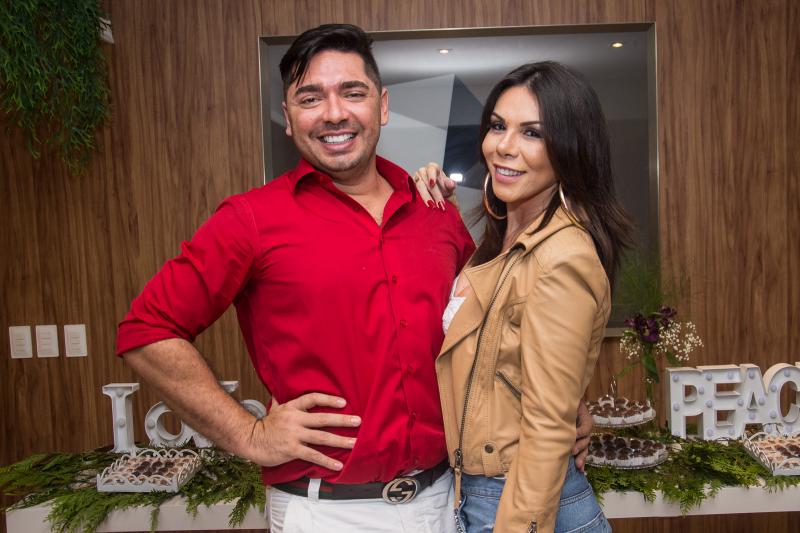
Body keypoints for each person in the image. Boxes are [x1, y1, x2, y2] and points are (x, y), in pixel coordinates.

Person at [116, 24, 592, 533]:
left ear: (382, 106)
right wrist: (248, 434)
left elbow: (490, 330)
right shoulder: (251, 220)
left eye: (353, 92)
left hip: (449, 501)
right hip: (326, 513)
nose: (334, 113)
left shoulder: (434, 210)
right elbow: (146, 332)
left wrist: (563, 401)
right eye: (310, 98)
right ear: (287, 117)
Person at [425, 62, 632, 533]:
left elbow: (547, 428)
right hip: (479, 494)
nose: (504, 146)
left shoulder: (562, 256)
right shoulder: (507, 239)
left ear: (570, 149)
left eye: (533, 133)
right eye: (498, 125)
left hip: (521, 503)